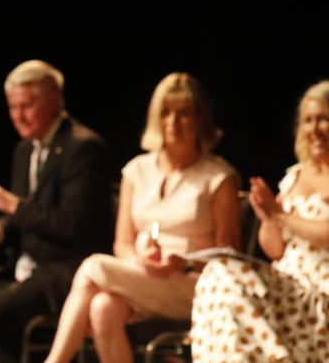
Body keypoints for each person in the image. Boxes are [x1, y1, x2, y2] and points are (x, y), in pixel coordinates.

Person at [42, 73, 241, 363]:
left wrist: (182, 262)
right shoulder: (136, 171)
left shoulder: (219, 177)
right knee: (102, 308)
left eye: (183, 114)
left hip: (193, 284)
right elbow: (122, 243)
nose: (173, 122)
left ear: (201, 119)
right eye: (166, 113)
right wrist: (140, 259)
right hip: (142, 275)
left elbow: (228, 255)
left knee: (91, 267)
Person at [0, 59, 114, 363]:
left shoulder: (83, 148)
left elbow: (72, 224)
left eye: (26, 106)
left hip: (64, 270)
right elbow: (28, 217)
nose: (18, 117)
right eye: (12, 107)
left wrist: (13, 206)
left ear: (54, 98)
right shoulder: (24, 150)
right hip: (25, 267)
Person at [191, 79, 329, 363]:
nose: (313, 130)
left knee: (224, 278)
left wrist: (280, 215)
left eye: (323, 120)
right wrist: (268, 217)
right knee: (220, 273)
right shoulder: (295, 176)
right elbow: (275, 249)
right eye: (308, 121)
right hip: (290, 286)